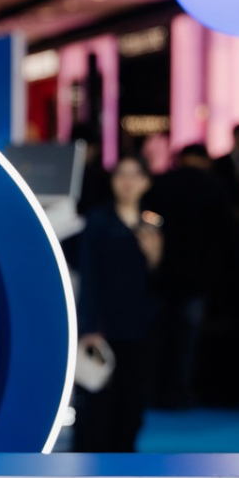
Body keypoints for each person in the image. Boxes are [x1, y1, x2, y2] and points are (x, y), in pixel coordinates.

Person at [74, 156, 163, 453]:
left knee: (132, 400)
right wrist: (88, 326)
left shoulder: (152, 222)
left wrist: (154, 258)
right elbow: (88, 274)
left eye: (135, 175)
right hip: (104, 325)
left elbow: (161, 281)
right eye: (121, 175)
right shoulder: (98, 220)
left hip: (139, 325)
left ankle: (126, 459)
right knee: (99, 403)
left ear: (146, 181)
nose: (128, 182)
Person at [141, 143, 235, 408]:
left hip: (162, 274)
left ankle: (153, 391)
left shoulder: (162, 183)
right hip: (198, 277)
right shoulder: (215, 186)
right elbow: (225, 236)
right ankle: (179, 392)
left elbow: (148, 221)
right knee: (187, 340)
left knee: (158, 336)